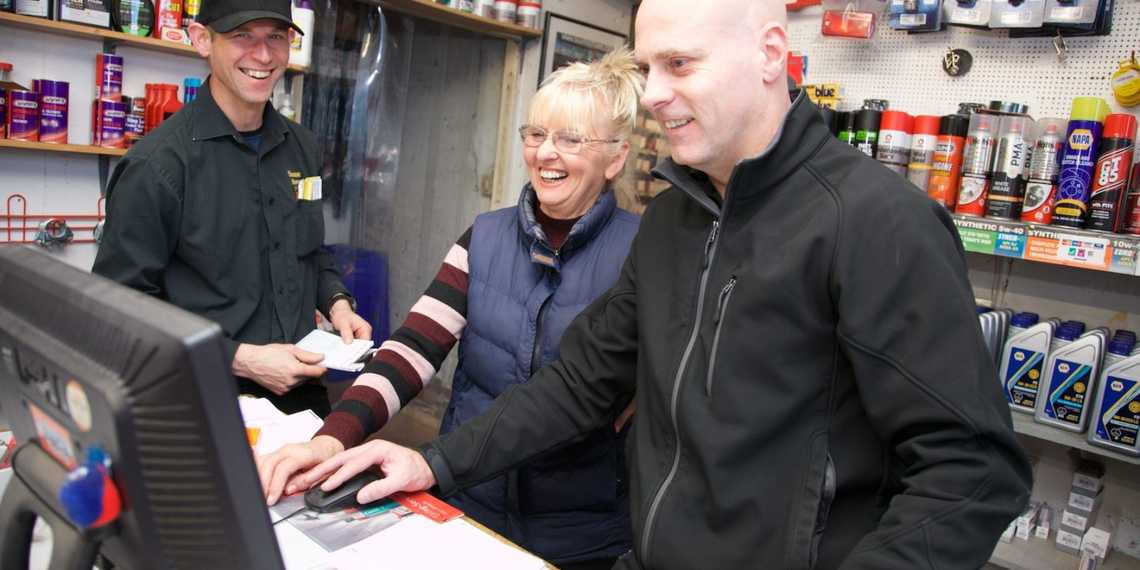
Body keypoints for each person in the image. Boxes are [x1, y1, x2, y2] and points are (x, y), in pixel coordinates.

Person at [286, 0, 1035, 567]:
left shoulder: (874, 223)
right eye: (648, 69)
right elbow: (578, 385)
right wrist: (432, 461)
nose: (652, 95)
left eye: (681, 65)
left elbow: (971, 471)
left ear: (772, 54)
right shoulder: (678, 220)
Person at [258, 49, 644, 569]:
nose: (545, 154)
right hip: (468, 499)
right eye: (535, 134)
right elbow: (412, 349)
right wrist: (333, 439)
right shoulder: (483, 238)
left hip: (580, 531)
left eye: (570, 139)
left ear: (615, 158)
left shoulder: (643, 254)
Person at [92, 0, 370, 416]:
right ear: (202, 39)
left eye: (276, 37)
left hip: (302, 397)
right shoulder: (157, 166)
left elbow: (308, 249)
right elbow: (119, 311)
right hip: (198, 400)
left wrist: (336, 302)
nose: (263, 55)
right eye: (243, 35)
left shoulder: (302, 149)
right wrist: (242, 359)